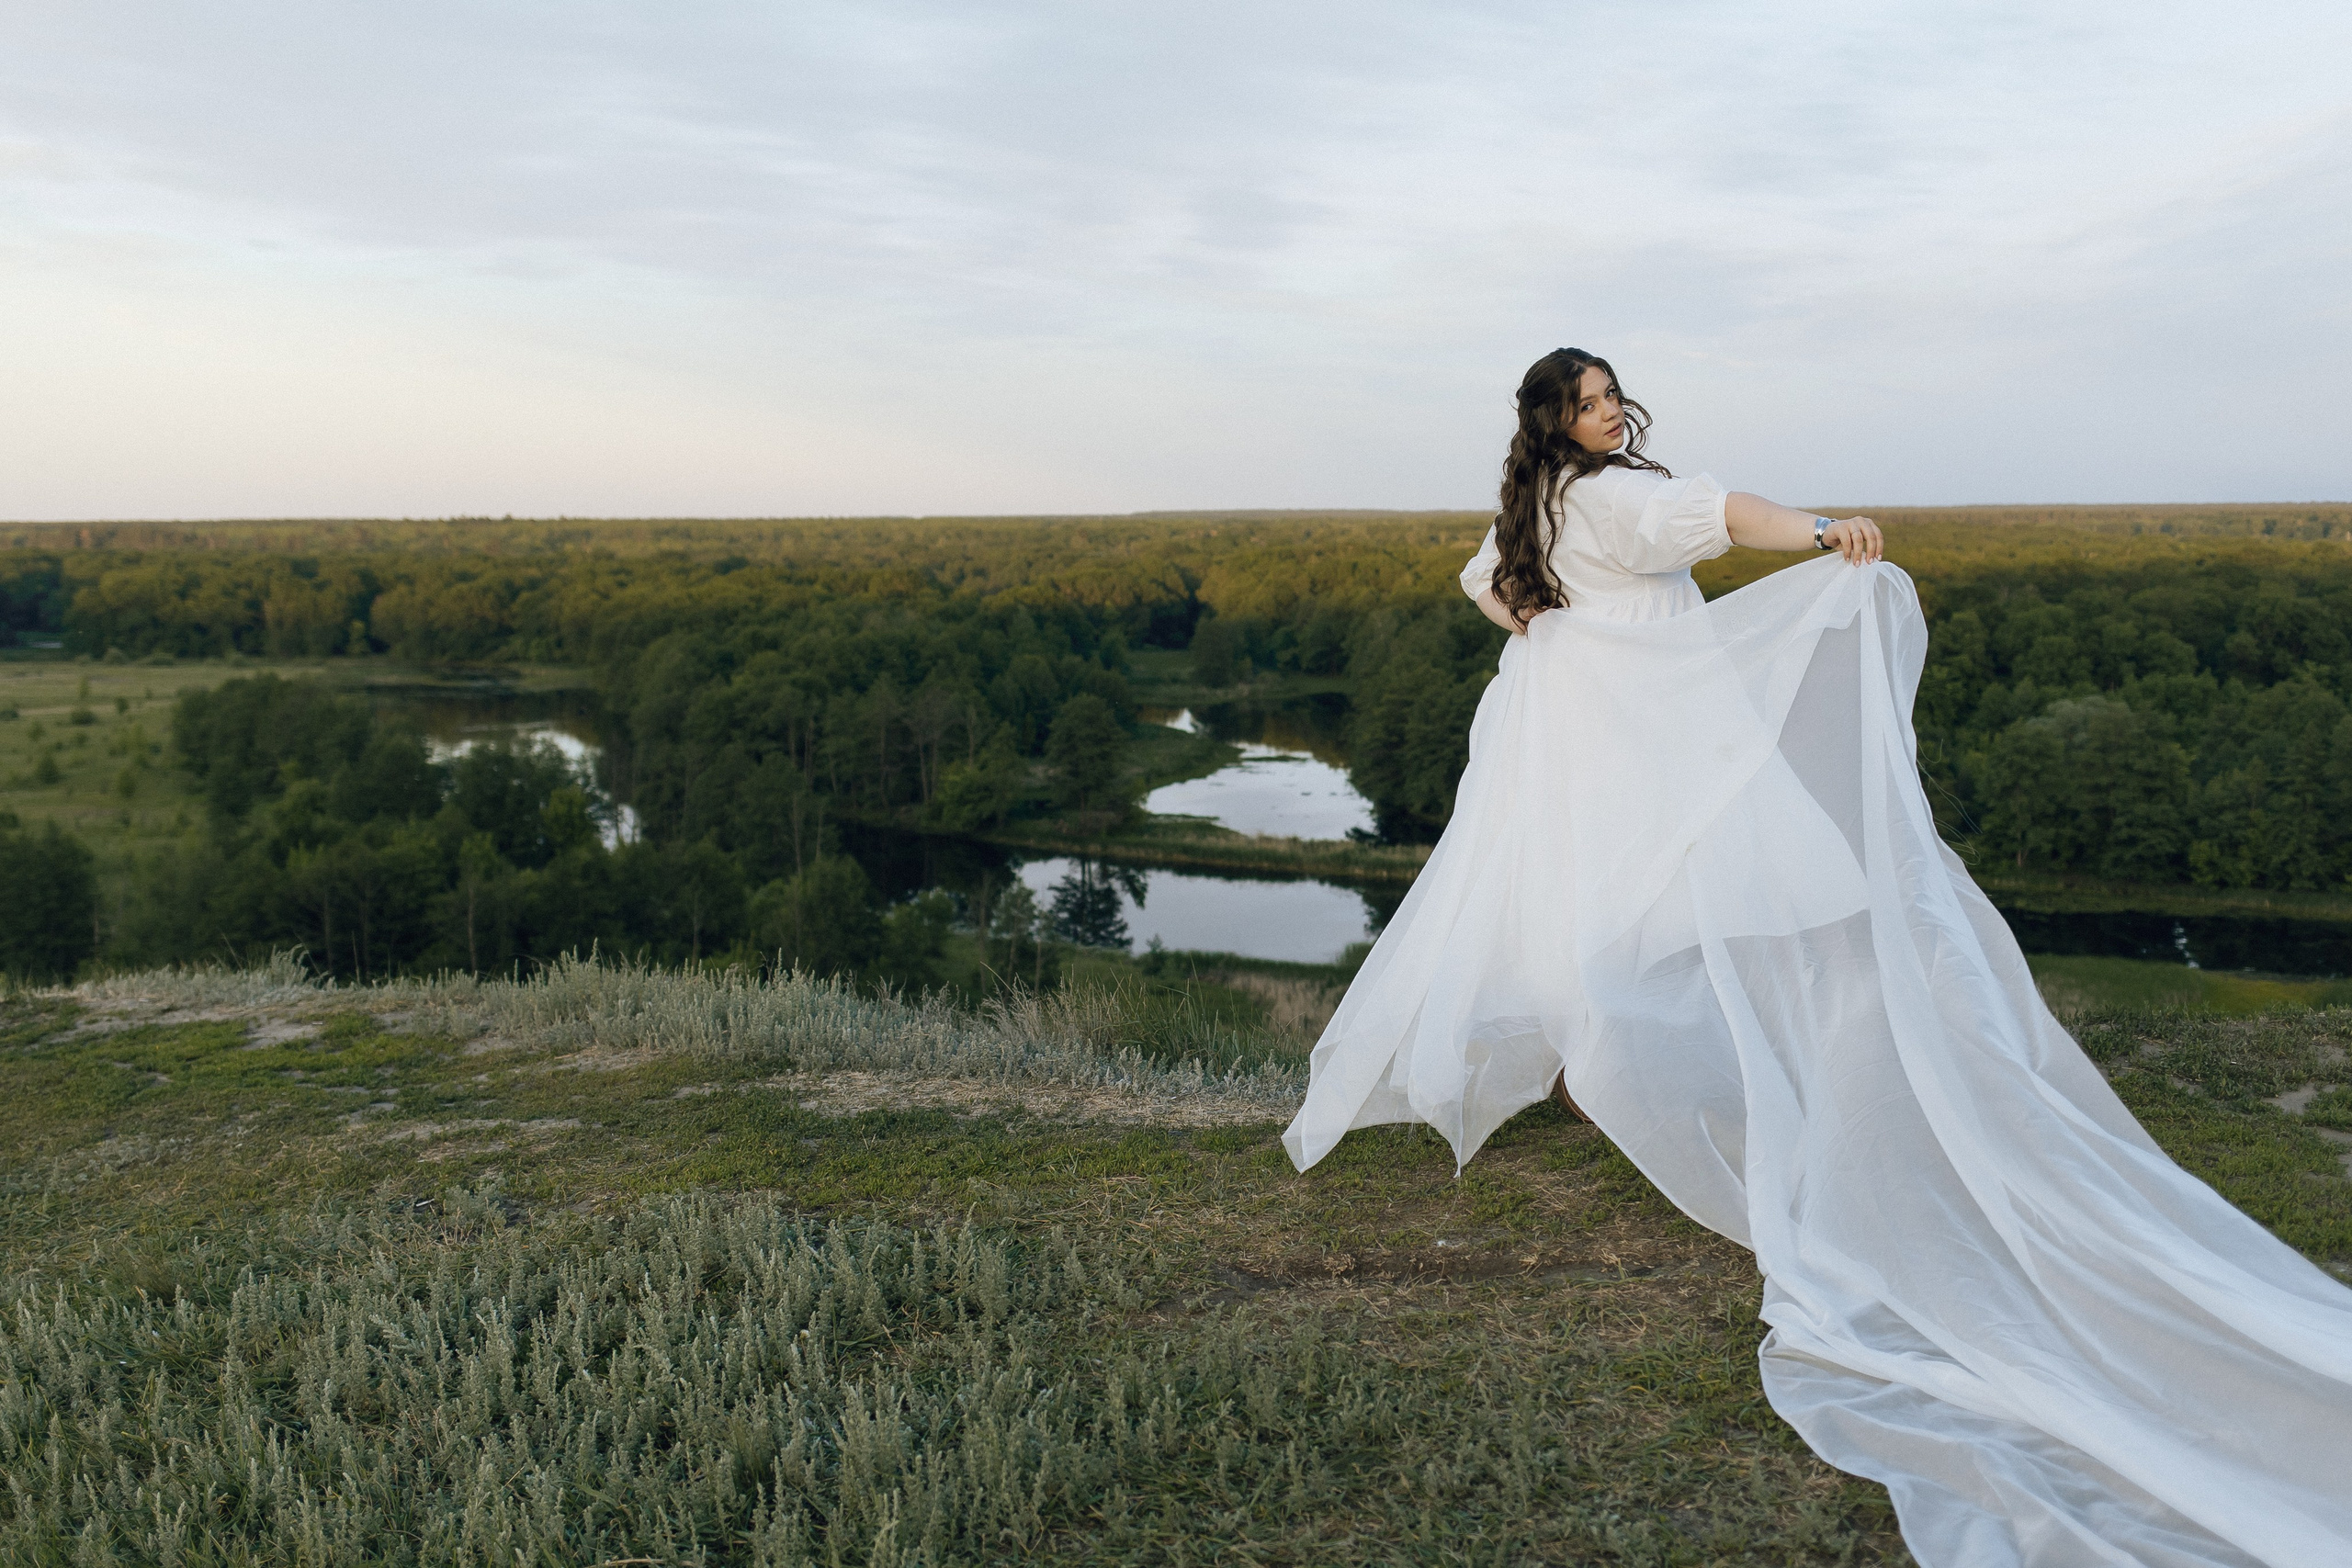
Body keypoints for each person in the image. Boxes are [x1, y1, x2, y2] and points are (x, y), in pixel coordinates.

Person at [1283, 348, 2352, 1568]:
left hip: (1570, 730)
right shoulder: (1619, 493)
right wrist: (1824, 532)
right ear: (1557, 419)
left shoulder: (1534, 502)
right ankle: (1734, 1079)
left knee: (1594, 906)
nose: (1609, 410)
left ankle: (1613, 1077)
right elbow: (1724, 514)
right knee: (1741, 903)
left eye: (1609, 394)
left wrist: (1552, 631)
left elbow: (1486, 582)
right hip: (1653, 730)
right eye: (1588, 402)